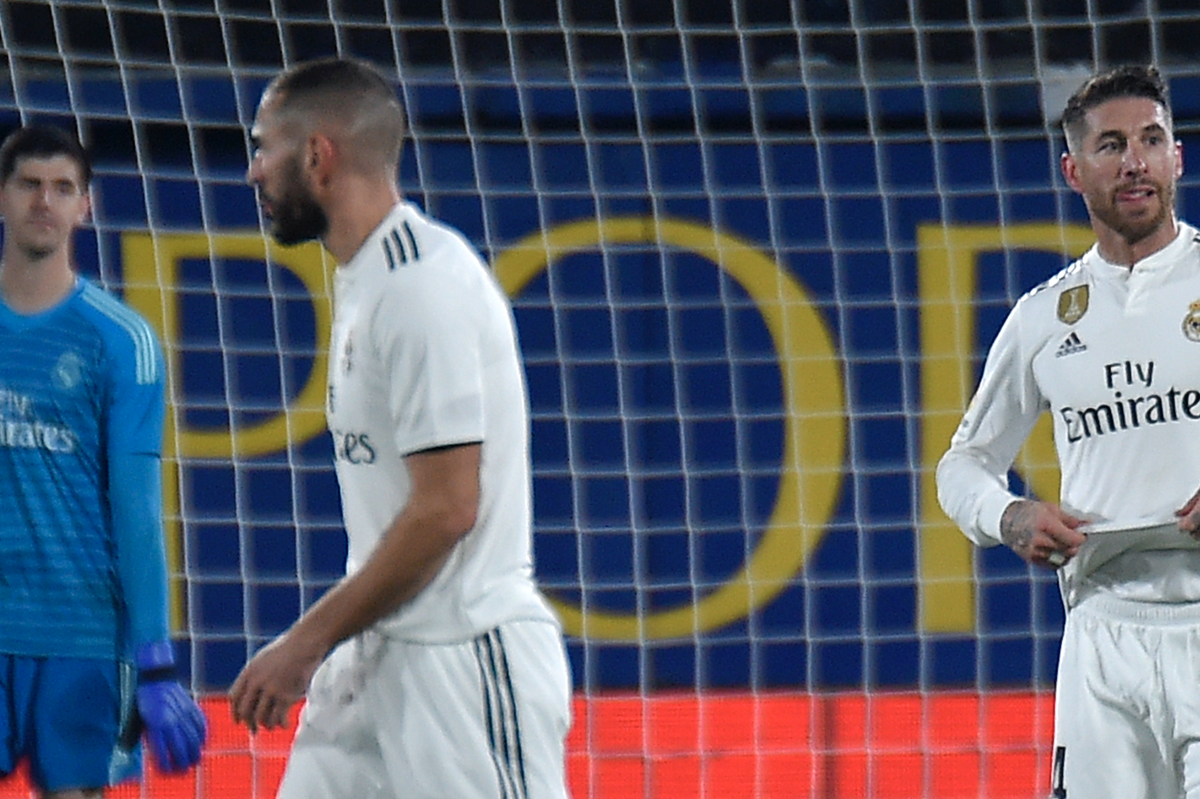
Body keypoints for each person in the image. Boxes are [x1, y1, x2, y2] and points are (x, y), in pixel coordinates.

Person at [229, 57, 572, 799]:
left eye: (265, 148)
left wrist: (306, 640)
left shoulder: (421, 288)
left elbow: (447, 507)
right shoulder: (368, 278)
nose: (254, 172)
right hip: (378, 657)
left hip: (464, 663)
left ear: (318, 156)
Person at [936, 64, 1200, 798]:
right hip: (1101, 630)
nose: (1136, 162)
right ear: (1073, 171)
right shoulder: (1045, 317)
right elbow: (963, 464)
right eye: (1111, 146)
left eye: (1152, 140)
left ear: (1177, 156)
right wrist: (1009, 513)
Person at [0, 125, 206, 798]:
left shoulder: (123, 341)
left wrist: (155, 659)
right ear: (2, 196)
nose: (44, 201)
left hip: (83, 634)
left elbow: (139, 509)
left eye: (63, 188)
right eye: (29, 184)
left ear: (85, 206)